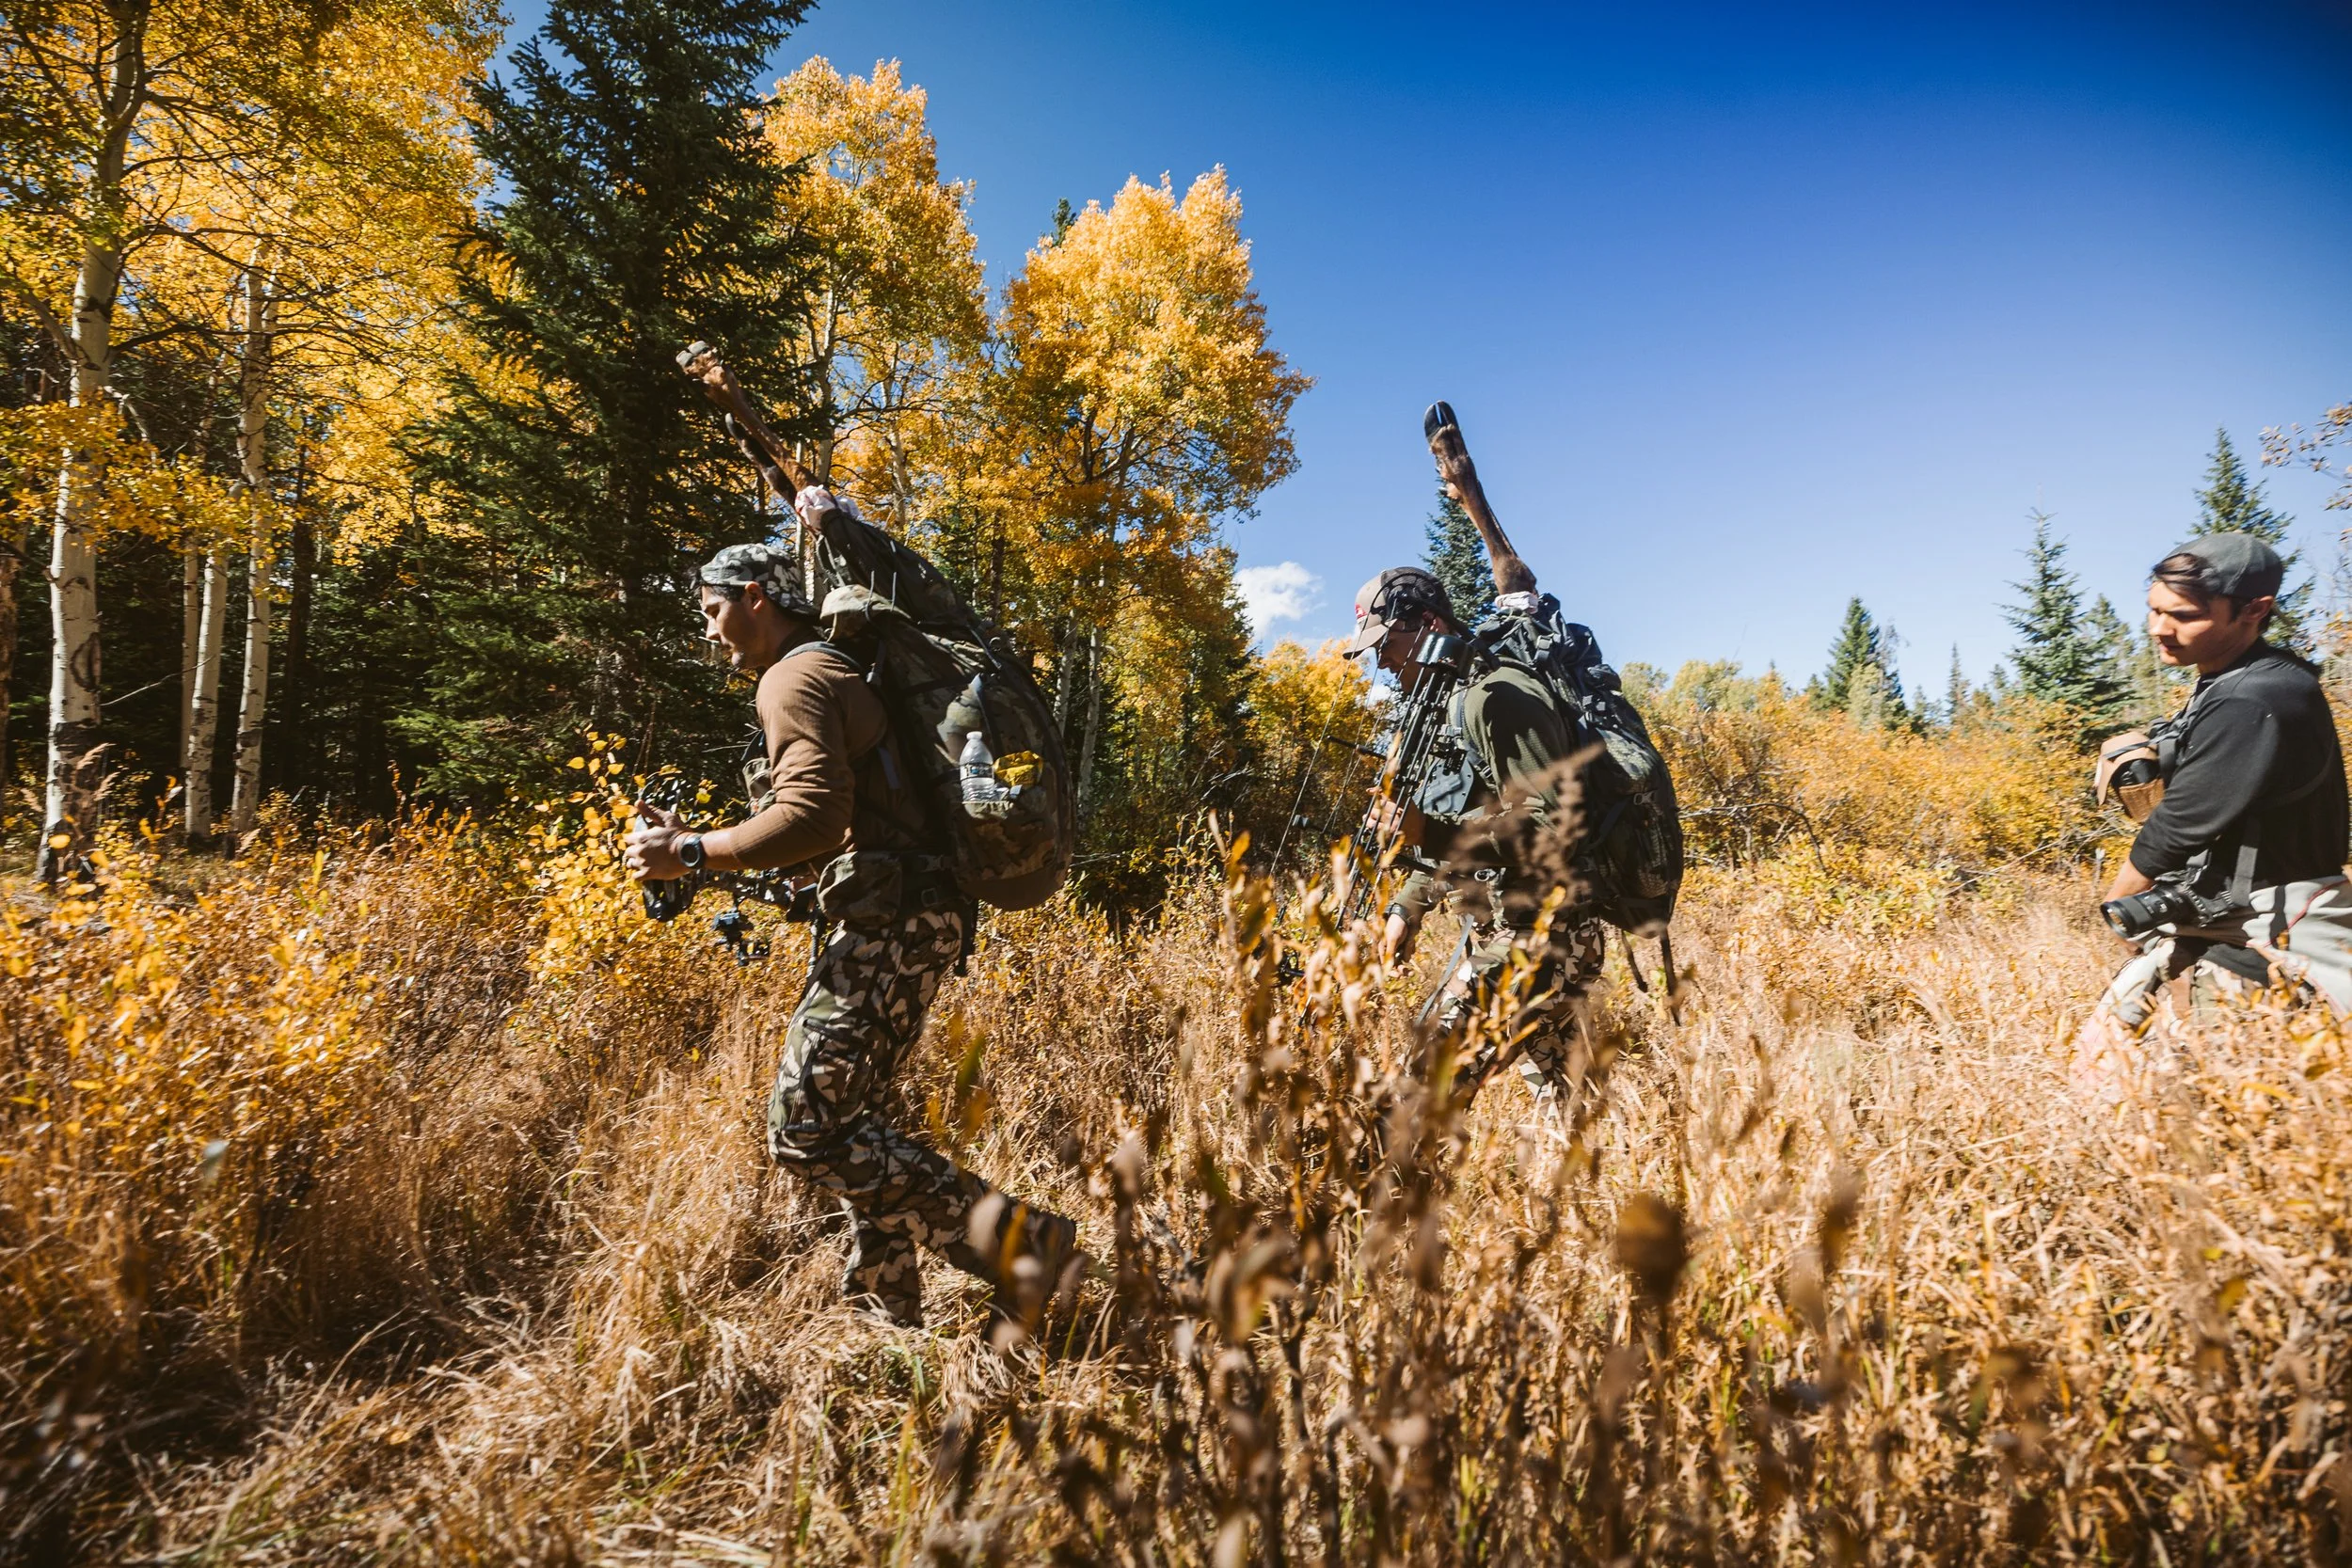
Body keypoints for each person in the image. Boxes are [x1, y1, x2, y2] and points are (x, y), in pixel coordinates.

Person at [626, 521, 1080, 1333]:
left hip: (896, 923)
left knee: (804, 1126)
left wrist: (691, 850)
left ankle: (1028, 1249)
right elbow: (847, 821)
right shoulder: (832, 667)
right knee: (849, 1114)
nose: (707, 628)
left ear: (754, 598)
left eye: (710, 609)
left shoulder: (793, 677)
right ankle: (884, 1309)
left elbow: (806, 815)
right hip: (914, 913)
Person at [2075, 532, 2352, 1079]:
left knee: (2218, 1093)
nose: (2159, 629)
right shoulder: (2237, 679)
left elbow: (2180, 826)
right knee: (2103, 1068)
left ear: (2255, 610)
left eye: (2182, 615)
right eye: (2153, 610)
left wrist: (2118, 911)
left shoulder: (2255, 697)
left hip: (2273, 925)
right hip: (2218, 912)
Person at [1345, 566, 1611, 1108]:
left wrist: (1430, 833)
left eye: (1388, 643)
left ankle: (1383, 1190)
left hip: (1545, 936)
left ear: (1428, 623)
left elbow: (1551, 829)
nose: (1383, 661)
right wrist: (1406, 909)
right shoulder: (1440, 710)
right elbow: (1452, 828)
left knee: (1422, 1092)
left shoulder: (1497, 697)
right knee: (1568, 1104)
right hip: (1508, 931)